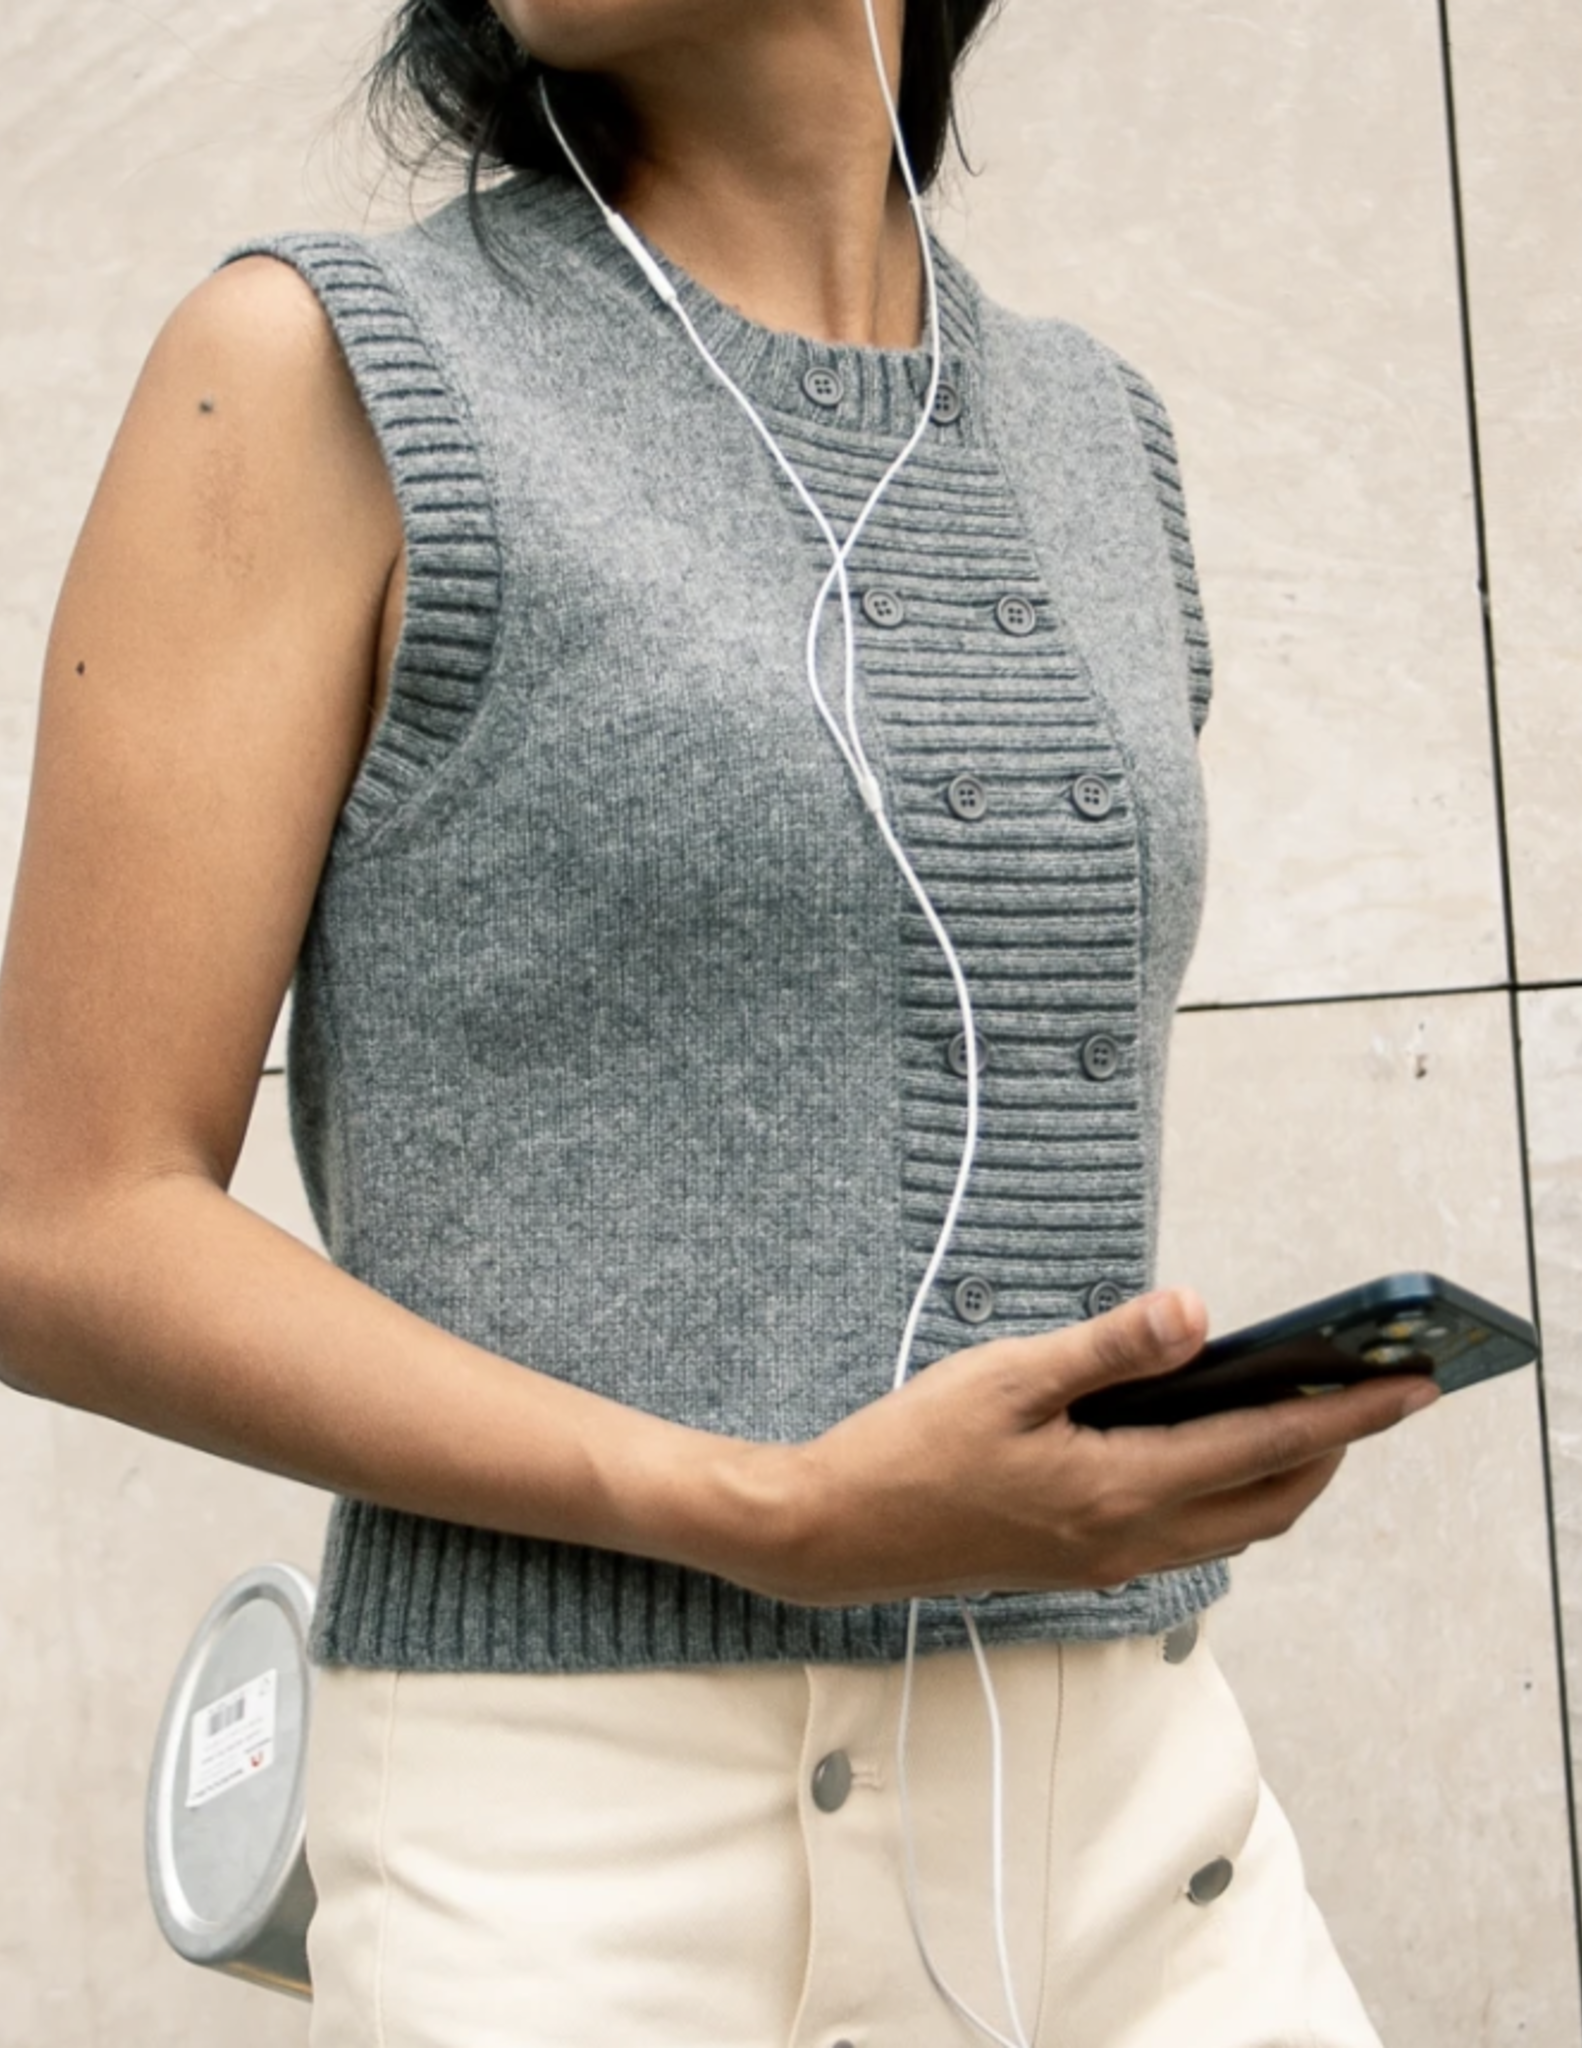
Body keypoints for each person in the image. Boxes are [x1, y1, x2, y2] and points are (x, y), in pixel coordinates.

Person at [0, 2, 1439, 2042]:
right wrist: (757, 1512)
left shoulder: (1094, 436)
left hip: (1125, 1826)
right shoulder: (315, 370)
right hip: (578, 1866)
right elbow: (56, 1224)